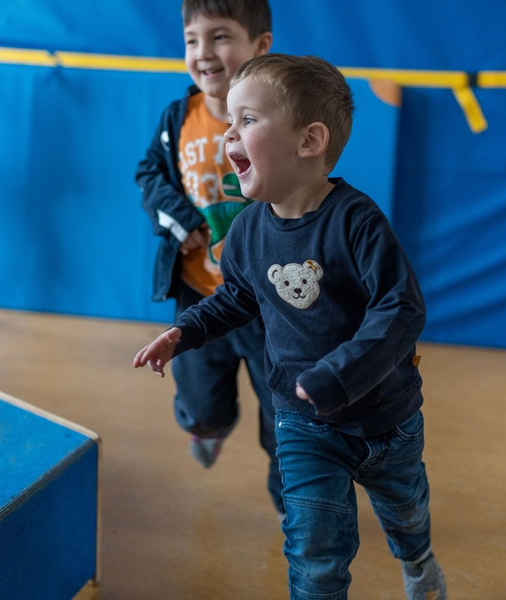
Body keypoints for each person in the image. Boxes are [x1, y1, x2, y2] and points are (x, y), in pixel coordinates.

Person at [134, 54, 447, 599]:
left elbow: (400, 309)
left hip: (385, 420)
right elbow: (235, 297)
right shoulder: (250, 228)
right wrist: (185, 332)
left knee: (406, 515)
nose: (229, 136)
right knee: (315, 555)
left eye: (247, 121)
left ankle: (418, 562)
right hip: (302, 423)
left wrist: (340, 375)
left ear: (309, 142)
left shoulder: (357, 222)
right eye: (228, 122)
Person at [134, 0, 284, 514]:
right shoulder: (179, 118)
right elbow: (149, 175)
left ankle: (295, 507)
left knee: (286, 419)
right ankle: (209, 428)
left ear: (260, 47)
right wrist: (182, 221)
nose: (204, 53)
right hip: (201, 300)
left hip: (271, 310)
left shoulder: (281, 121)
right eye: (193, 40)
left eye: (220, 37)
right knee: (200, 409)